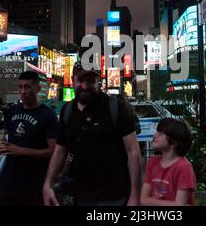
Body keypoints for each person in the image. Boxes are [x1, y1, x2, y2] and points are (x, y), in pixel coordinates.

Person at [43, 62, 142, 206]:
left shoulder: (114, 107)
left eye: (90, 81)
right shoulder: (67, 111)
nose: (85, 85)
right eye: (80, 80)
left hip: (114, 197)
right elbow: (60, 151)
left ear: (98, 82)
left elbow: (133, 152)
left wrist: (135, 197)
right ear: (72, 80)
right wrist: (48, 184)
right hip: (79, 195)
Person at [0, 71, 57, 206]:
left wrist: (21, 151)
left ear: (38, 89)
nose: (23, 91)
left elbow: (53, 152)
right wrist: (1, 144)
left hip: (33, 184)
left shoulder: (48, 115)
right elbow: (5, 135)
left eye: (28, 87)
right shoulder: (13, 110)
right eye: (20, 87)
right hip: (7, 182)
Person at [140, 118, 196, 206]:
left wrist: (151, 201)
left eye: (161, 133)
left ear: (174, 142)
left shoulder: (184, 167)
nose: (154, 135)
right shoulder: (152, 162)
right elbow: (143, 200)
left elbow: (180, 205)